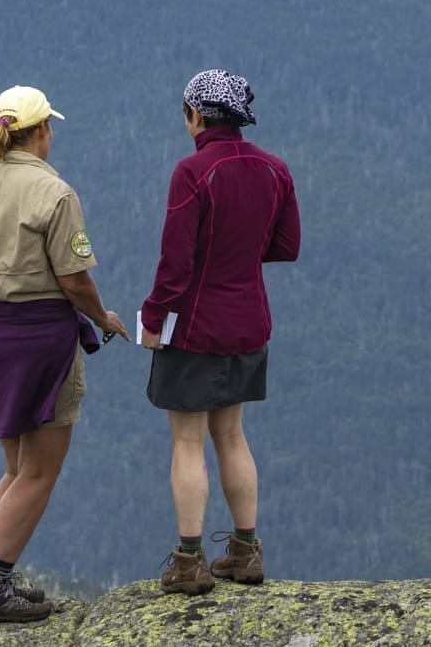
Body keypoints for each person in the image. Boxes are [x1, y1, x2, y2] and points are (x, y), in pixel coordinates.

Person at [0, 84, 128, 623]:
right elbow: (73, 279)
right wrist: (102, 316)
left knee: (15, 466)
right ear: (43, 131)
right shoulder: (56, 195)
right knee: (40, 471)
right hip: (41, 337)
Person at [140, 69, 301, 594]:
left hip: (194, 328)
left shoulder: (192, 172)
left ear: (195, 115)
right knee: (232, 436)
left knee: (188, 441)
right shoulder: (274, 169)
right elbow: (286, 246)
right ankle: (246, 551)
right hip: (250, 323)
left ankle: (190, 563)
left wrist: (151, 318)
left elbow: (175, 263)